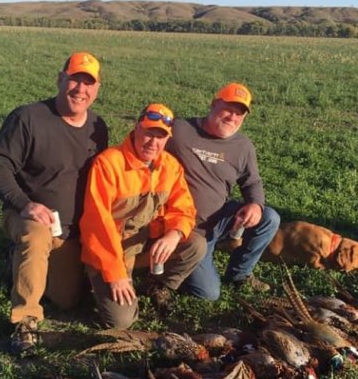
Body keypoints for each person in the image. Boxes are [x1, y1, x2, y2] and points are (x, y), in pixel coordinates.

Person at [0, 51, 108, 355]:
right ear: (60, 79)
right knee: (36, 236)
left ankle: (20, 264)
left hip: (68, 230)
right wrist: (24, 203)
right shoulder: (28, 117)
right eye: (74, 80)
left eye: (88, 83)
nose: (80, 89)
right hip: (27, 215)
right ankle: (25, 322)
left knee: (67, 299)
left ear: (97, 89)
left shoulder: (98, 127)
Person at [79, 102, 207, 329]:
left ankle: (156, 284)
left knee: (195, 244)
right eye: (149, 133)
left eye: (160, 136)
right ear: (137, 128)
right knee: (121, 321)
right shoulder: (109, 163)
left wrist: (174, 234)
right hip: (113, 251)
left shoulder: (171, 166)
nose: (153, 142)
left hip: (148, 243)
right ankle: (101, 279)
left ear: (167, 139)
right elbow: (97, 223)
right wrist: (115, 273)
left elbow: (184, 208)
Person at [167, 81, 280, 299]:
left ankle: (239, 274)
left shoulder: (243, 146)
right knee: (208, 294)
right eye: (228, 109)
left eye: (240, 114)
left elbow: (252, 182)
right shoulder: (180, 130)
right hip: (187, 228)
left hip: (219, 219)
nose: (232, 117)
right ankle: (180, 264)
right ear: (214, 104)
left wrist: (255, 205)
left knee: (269, 218)